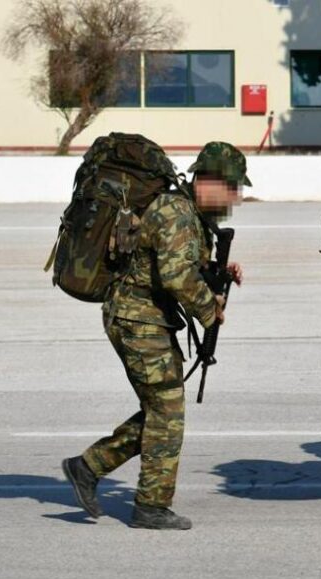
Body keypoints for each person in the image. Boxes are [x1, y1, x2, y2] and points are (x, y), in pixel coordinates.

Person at [61, 142, 248, 530]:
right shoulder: (176, 211)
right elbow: (177, 277)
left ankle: (88, 466)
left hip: (148, 319)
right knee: (167, 411)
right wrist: (209, 310)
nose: (236, 198)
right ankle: (150, 505)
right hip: (137, 319)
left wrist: (219, 275)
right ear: (208, 181)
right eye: (232, 188)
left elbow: (179, 265)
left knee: (161, 408)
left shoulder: (187, 212)